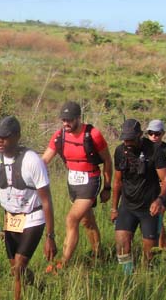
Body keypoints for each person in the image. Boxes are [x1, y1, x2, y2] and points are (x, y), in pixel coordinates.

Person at [0, 116, 56, 300]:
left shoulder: (32, 161)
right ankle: (40, 286)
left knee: (19, 266)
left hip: (33, 217)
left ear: (17, 137)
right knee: (16, 267)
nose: (0, 141)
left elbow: (46, 200)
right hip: (11, 219)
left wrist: (50, 237)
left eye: (5, 137)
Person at [41, 101, 113, 271]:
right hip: (73, 181)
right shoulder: (60, 136)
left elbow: (107, 160)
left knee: (72, 219)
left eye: (70, 120)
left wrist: (107, 187)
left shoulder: (93, 134)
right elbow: (44, 160)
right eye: (63, 120)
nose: (66, 123)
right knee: (87, 221)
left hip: (91, 180)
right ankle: (98, 255)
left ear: (78, 118)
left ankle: (63, 263)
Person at [110, 119, 166, 274]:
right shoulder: (119, 151)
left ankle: (149, 277)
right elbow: (117, 182)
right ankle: (127, 276)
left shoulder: (155, 150)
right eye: (125, 139)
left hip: (149, 208)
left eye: (131, 139)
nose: (128, 142)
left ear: (139, 135)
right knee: (122, 244)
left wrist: (160, 199)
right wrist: (114, 208)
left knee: (150, 252)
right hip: (128, 205)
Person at [145, 119, 166, 250]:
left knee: (158, 214)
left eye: (157, 133)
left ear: (163, 133)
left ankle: (163, 247)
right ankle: (162, 246)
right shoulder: (144, 148)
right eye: (151, 133)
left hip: (162, 188)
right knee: (152, 216)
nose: (153, 136)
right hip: (147, 187)